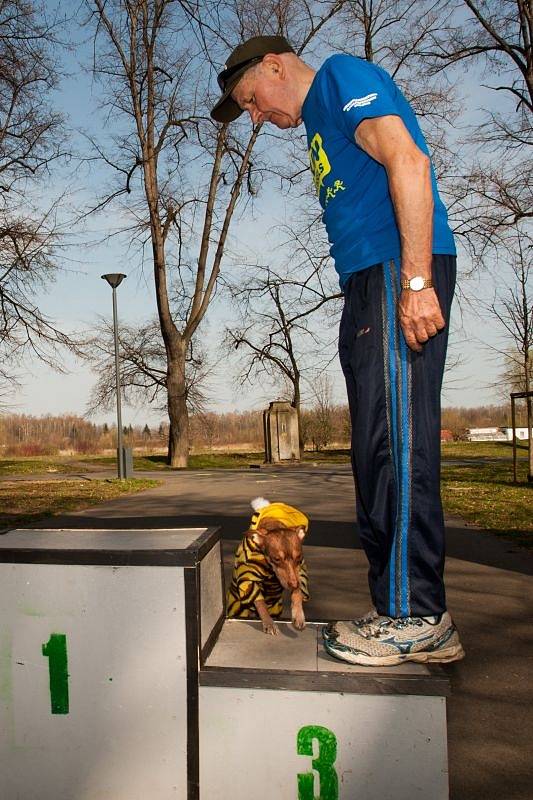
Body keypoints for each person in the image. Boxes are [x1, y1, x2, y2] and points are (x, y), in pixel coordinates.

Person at [211, 36, 464, 667]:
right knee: (375, 445)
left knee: (396, 442)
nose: (255, 116)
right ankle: (402, 609)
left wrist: (414, 283)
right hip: (368, 278)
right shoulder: (320, 119)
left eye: (251, 99)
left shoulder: (339, 79)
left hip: (394, 270)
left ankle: (416, 614)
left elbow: (408, 161)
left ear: (274, 66)